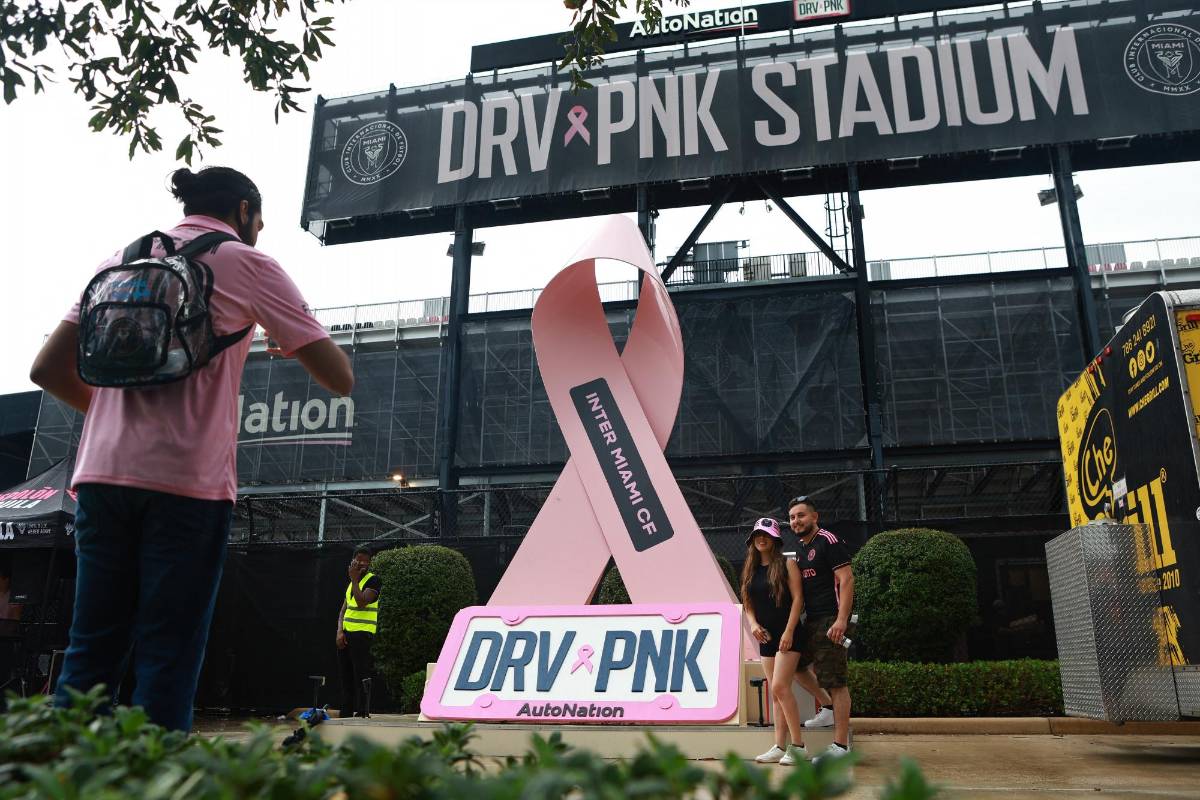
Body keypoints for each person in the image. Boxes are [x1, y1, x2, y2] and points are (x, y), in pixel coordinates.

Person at [30, 166, 354, 732]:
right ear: (245, 210)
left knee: (91, 649)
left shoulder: (122, 258)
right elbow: (339, 377)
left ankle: (65, 776)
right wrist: (285, 338)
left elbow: (46, 369)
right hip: (188, 486)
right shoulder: (249, 264)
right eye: (260, 217)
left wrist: (113, 419)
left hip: (102, 477)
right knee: (169, 650)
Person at [787, 495, 854, 763]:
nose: (796, 521)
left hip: (831, 621)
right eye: (792, 517)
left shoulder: (828, 540)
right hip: (812, 621)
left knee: (836, 682)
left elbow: (847, 580)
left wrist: (841, 620)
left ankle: (840, 746)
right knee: (795, 666)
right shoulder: (801, 548)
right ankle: (825, 707)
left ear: (815, 517)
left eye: (801, 515)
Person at [742, 517, 808, 766]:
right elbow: (748, 602)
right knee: (776, 692)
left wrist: (789, 631)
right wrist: (753, 624)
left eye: (766, 535)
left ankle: (798, 746)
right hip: (766, 636)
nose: (761, 538)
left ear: (775, 539)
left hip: (788, 634)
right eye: (757, 534)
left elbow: (798, 599)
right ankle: (780, 746)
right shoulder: (750, 569)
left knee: (780, 687)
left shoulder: (787, 564)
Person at [336, 547, 381, 718]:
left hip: (362, 635)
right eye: (359, 560)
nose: (362, 563)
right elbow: (343, 611)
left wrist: (354, 580)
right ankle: (346, 712)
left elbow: (362, 602)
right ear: (353, 560)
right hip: (346, 635)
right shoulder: (351, 584)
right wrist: (340, 632)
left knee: (361, 674)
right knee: (345, 675)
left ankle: (363, 712)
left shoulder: (373, 581)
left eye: (366, 561)